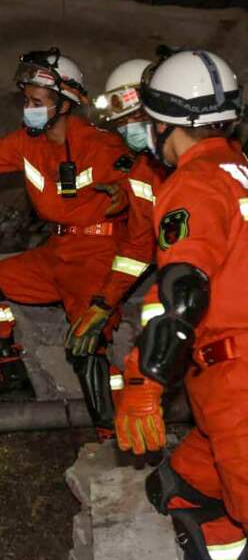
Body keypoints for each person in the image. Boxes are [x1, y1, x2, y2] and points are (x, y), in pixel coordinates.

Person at [0, 48, 131, 440]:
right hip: (55, 253)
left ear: (66, 104)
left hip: (96, 255)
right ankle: (12, 374)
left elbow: (140, 179)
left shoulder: (100, 146)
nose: (29, 108)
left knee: (87, 343)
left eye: (38, 102)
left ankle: (114, 435)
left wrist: (128, 194)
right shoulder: (26, 143)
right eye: (27, 100)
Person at [112, 49, 248, 560]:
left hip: (237, 389)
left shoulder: (194, 183)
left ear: (163, 121)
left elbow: (184, 292)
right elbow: (170, 297)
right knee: (180, 485)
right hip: (219, 403)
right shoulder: (240, 174)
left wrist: (146, 382)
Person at [66, 59, 166, 357]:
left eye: (131, 119)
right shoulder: (141, 173)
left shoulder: (201, 164)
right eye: (119, 125)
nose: (125, 131)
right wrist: (103, 304)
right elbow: (137, 248)